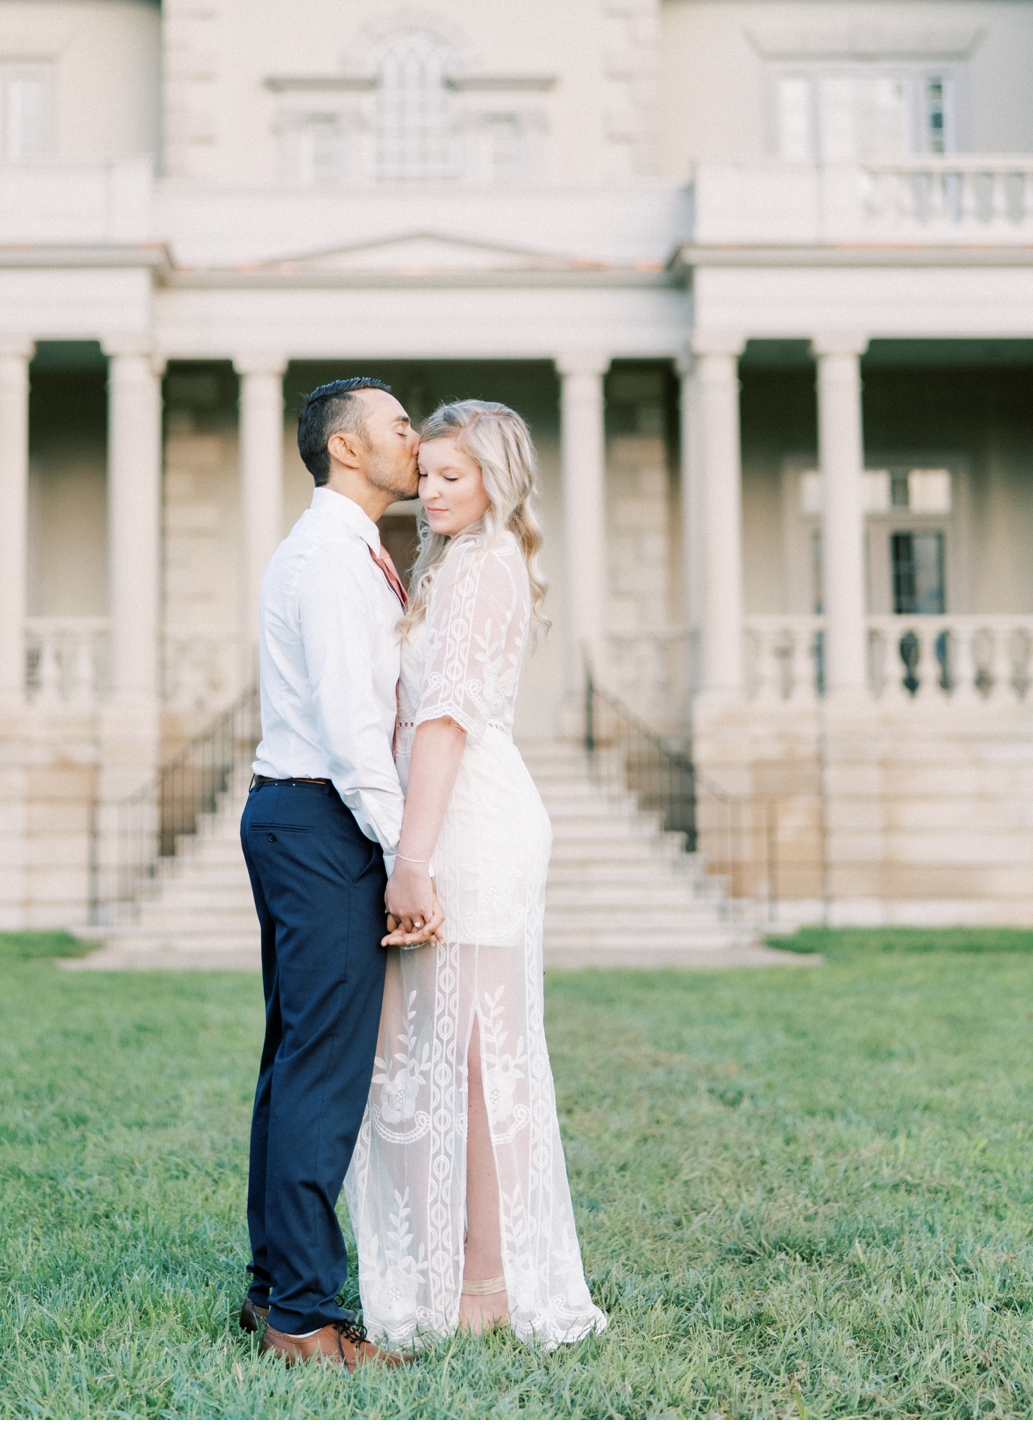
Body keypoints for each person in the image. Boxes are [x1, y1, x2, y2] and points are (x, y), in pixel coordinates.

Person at [346, 400, 607, 1351]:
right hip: (442, 812)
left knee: (479, 1063)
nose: (432, 487)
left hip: (471, 824)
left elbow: (446, 721)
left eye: (454, 474)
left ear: (497, 478)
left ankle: (489, 1280)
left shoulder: (487, 561)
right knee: (440, 1056)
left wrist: (412, 859)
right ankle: (447, 1262)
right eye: (429, 473)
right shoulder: (453, 564)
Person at [238, 376, 440, 1372]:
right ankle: (302, 1317)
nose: (418, 440)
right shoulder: (326, 556)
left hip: (302, 814)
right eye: (401, 426)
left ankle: (276, 1289)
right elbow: (354, 731)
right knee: (319, 1073)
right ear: (346, 448)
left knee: (292, 1068)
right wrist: (404, 855)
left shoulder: (345, 548)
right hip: (320, 816)